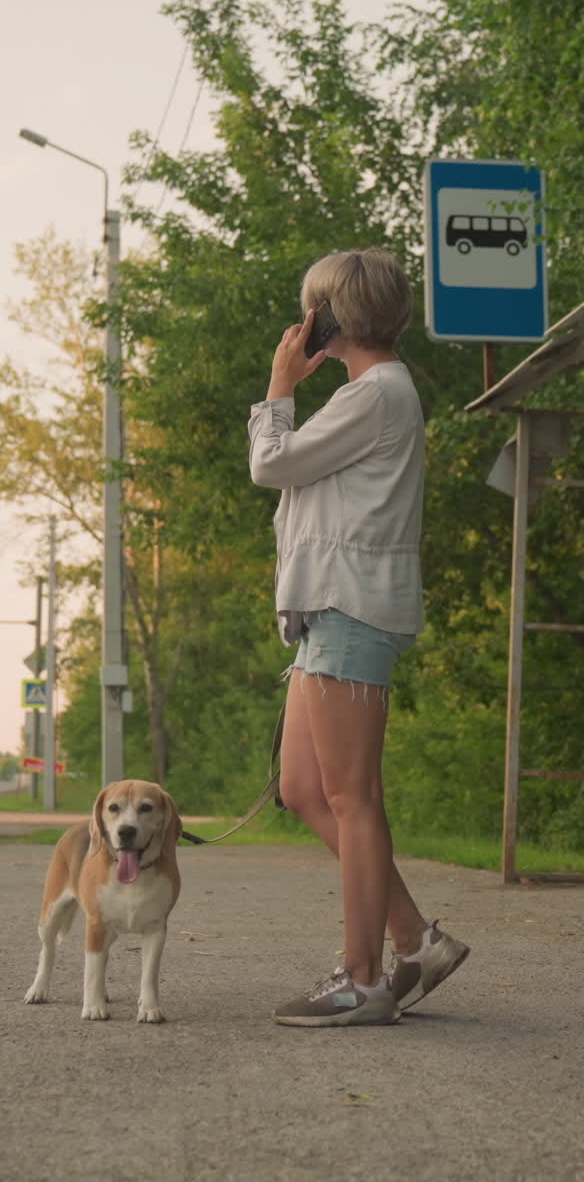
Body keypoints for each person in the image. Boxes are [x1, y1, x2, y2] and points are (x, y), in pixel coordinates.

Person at [248, 248, 469, 1027]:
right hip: (327, 610)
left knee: (352, 796)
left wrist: (280, 384)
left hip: (352, 609)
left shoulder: (376, 393)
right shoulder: (370, 395)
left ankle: (365, 978)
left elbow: (270, 464)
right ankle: (416, 940)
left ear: (332, 318)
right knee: (306, 790)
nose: (304, 321)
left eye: (313, 308)